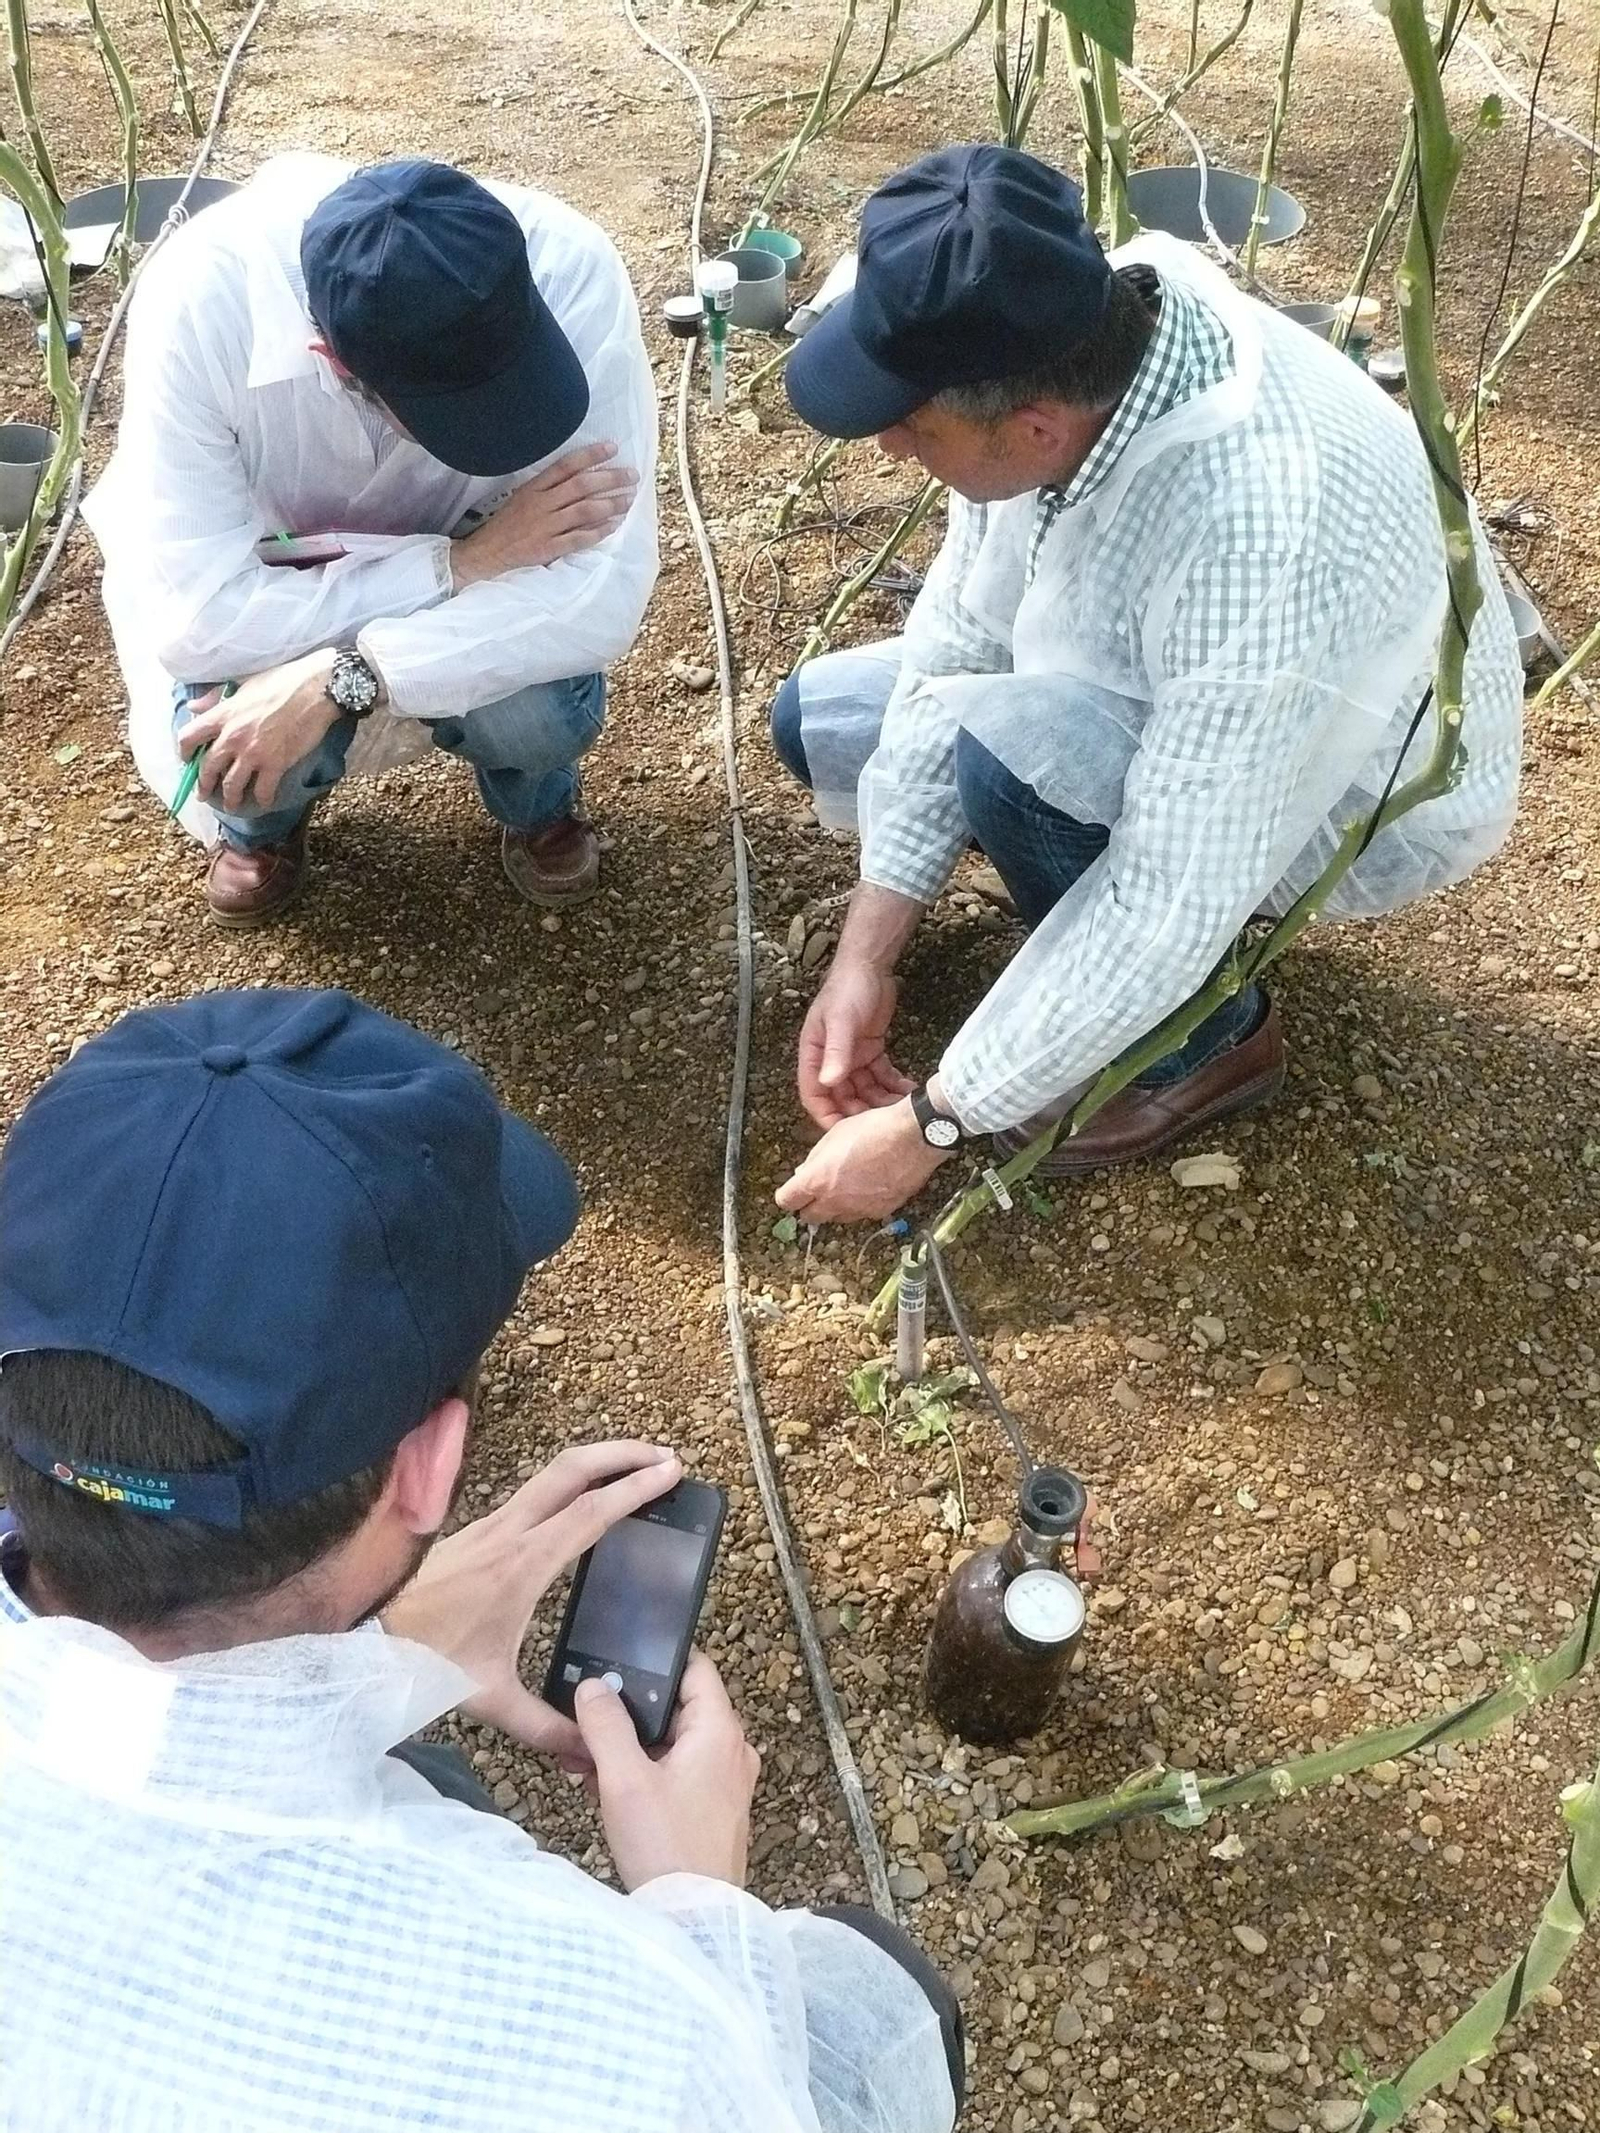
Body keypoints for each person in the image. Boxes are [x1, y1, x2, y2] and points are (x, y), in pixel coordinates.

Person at [0, 989, 961, 2133]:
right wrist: (699, 1912)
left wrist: (385, 1653)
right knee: (870, 1985)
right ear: (428, 1467)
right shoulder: (633, 2049)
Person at [769, 145, 1522, 1226]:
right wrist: (866, 954)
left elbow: (1174, 889)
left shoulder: (1254, 533)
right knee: (824, 720)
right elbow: (955, 642)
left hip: (1362, 772)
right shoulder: (1056, 332)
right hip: (1154, 662)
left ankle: (1207, 1043)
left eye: (909, 427)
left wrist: (935, 1120)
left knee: (1007, 768)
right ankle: (1061, 899)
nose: (889, 444)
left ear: (1032, 430)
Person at [83, 154, 658, 925]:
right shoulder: (198, 308)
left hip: (320, 579)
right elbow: (201, 617)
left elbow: (596, 593)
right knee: (233, 725)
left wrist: (343, 673)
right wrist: (461, 563)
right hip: (305, 555)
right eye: (463, 418)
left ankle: (536, 802)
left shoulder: (572, 268)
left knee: (539, 706)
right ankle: (262, 830)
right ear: (333, 360)